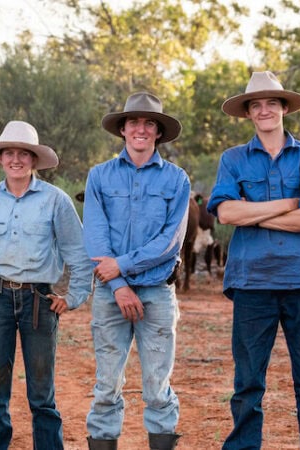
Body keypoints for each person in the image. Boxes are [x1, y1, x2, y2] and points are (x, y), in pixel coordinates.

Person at [207, 71, 300, 449]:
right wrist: (289, 204)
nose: (264, 110)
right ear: (248, 113)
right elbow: (226, 214)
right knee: (247, 382)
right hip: (252, 282)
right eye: (256, 104)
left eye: (271, 103)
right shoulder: (233, 160)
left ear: (284, 108)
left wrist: (253, 210)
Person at [0, 120, 92, 450]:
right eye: (9, 153)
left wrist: (72, 296)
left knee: (42, 392)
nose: (16, 159)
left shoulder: (55, 201)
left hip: (40, 301)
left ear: (34, 160)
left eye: (24, 154)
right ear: (0, 158)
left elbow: (78, 250)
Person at [83, 92, 189, 450]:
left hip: (158, 291)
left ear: (158, 132)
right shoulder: (99, 176)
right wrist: (119, 286)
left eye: (149, 123)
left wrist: (123, 267)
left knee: (157, 386)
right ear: (123, 130)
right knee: (106, 384)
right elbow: (96, 237)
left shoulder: (177, 180)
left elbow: (170, 241)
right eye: (134, 122)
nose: (140, 129)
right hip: (111, 294)